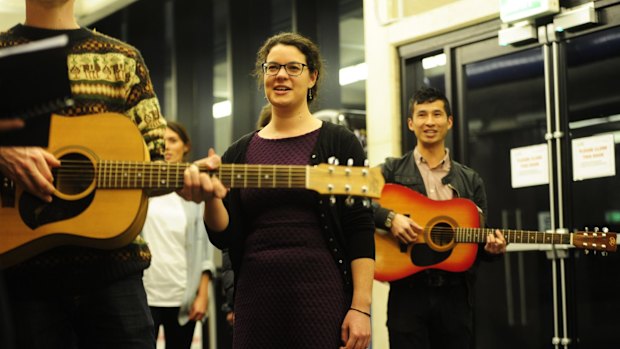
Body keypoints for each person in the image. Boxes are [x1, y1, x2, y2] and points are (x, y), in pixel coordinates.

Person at [0, 1, 220, 348]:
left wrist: (186, 181)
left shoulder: (122, 60)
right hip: (19, 278)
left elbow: (155, 160)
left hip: (113, 274)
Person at [184, 32, 375, 349]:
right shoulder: (239, 153)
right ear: (263, 77)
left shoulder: (340, 143)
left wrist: (361, 307)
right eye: (272, 68)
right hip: (256, 297)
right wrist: (211, 200)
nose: (281, 75)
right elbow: (224, 237)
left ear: (312, 76)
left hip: (322, 294)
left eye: (293, 68)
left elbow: (360, 228)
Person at [373, 86, 506, 349]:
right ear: (411, 123)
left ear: (449, 122)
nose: (430, 122)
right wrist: (390, 218)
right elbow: (353, 200)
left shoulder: (470, 180)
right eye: (422, 115)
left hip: (455, 296)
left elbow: (478, 240)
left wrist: (492, 249)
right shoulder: (390, 170)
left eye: (437, 114)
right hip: (407, 294)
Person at [141, 121, 216, 348]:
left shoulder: (192, 193)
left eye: (173, 140)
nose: (166, 147)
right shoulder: (143, 189)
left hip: (182, 299)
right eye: (161, 142)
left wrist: (202, 295)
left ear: (186, 147)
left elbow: (205, 249)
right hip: (145, 297)